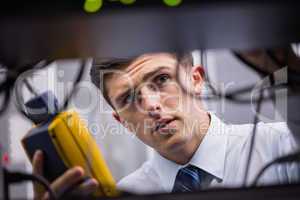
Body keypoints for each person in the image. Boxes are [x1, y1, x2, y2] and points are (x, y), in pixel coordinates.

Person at [32, 52, 299, 198]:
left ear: (196, 79)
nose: (150, 104)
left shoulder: (282, 146)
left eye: (161, 80)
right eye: (127, 98)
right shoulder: (127, 192)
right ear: (121, 121)